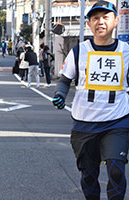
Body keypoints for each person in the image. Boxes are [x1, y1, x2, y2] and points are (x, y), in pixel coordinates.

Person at [52, 1, 129, 199]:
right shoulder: (79, 51)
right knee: (88, 175)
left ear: (116, 21)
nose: (100, 22)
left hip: (117, 119)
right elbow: (65, 80)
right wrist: (60, 95)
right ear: (88, 23)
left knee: (116, 169)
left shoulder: (126, 51)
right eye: (95, 18)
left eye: (105, 17)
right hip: (84, 122)